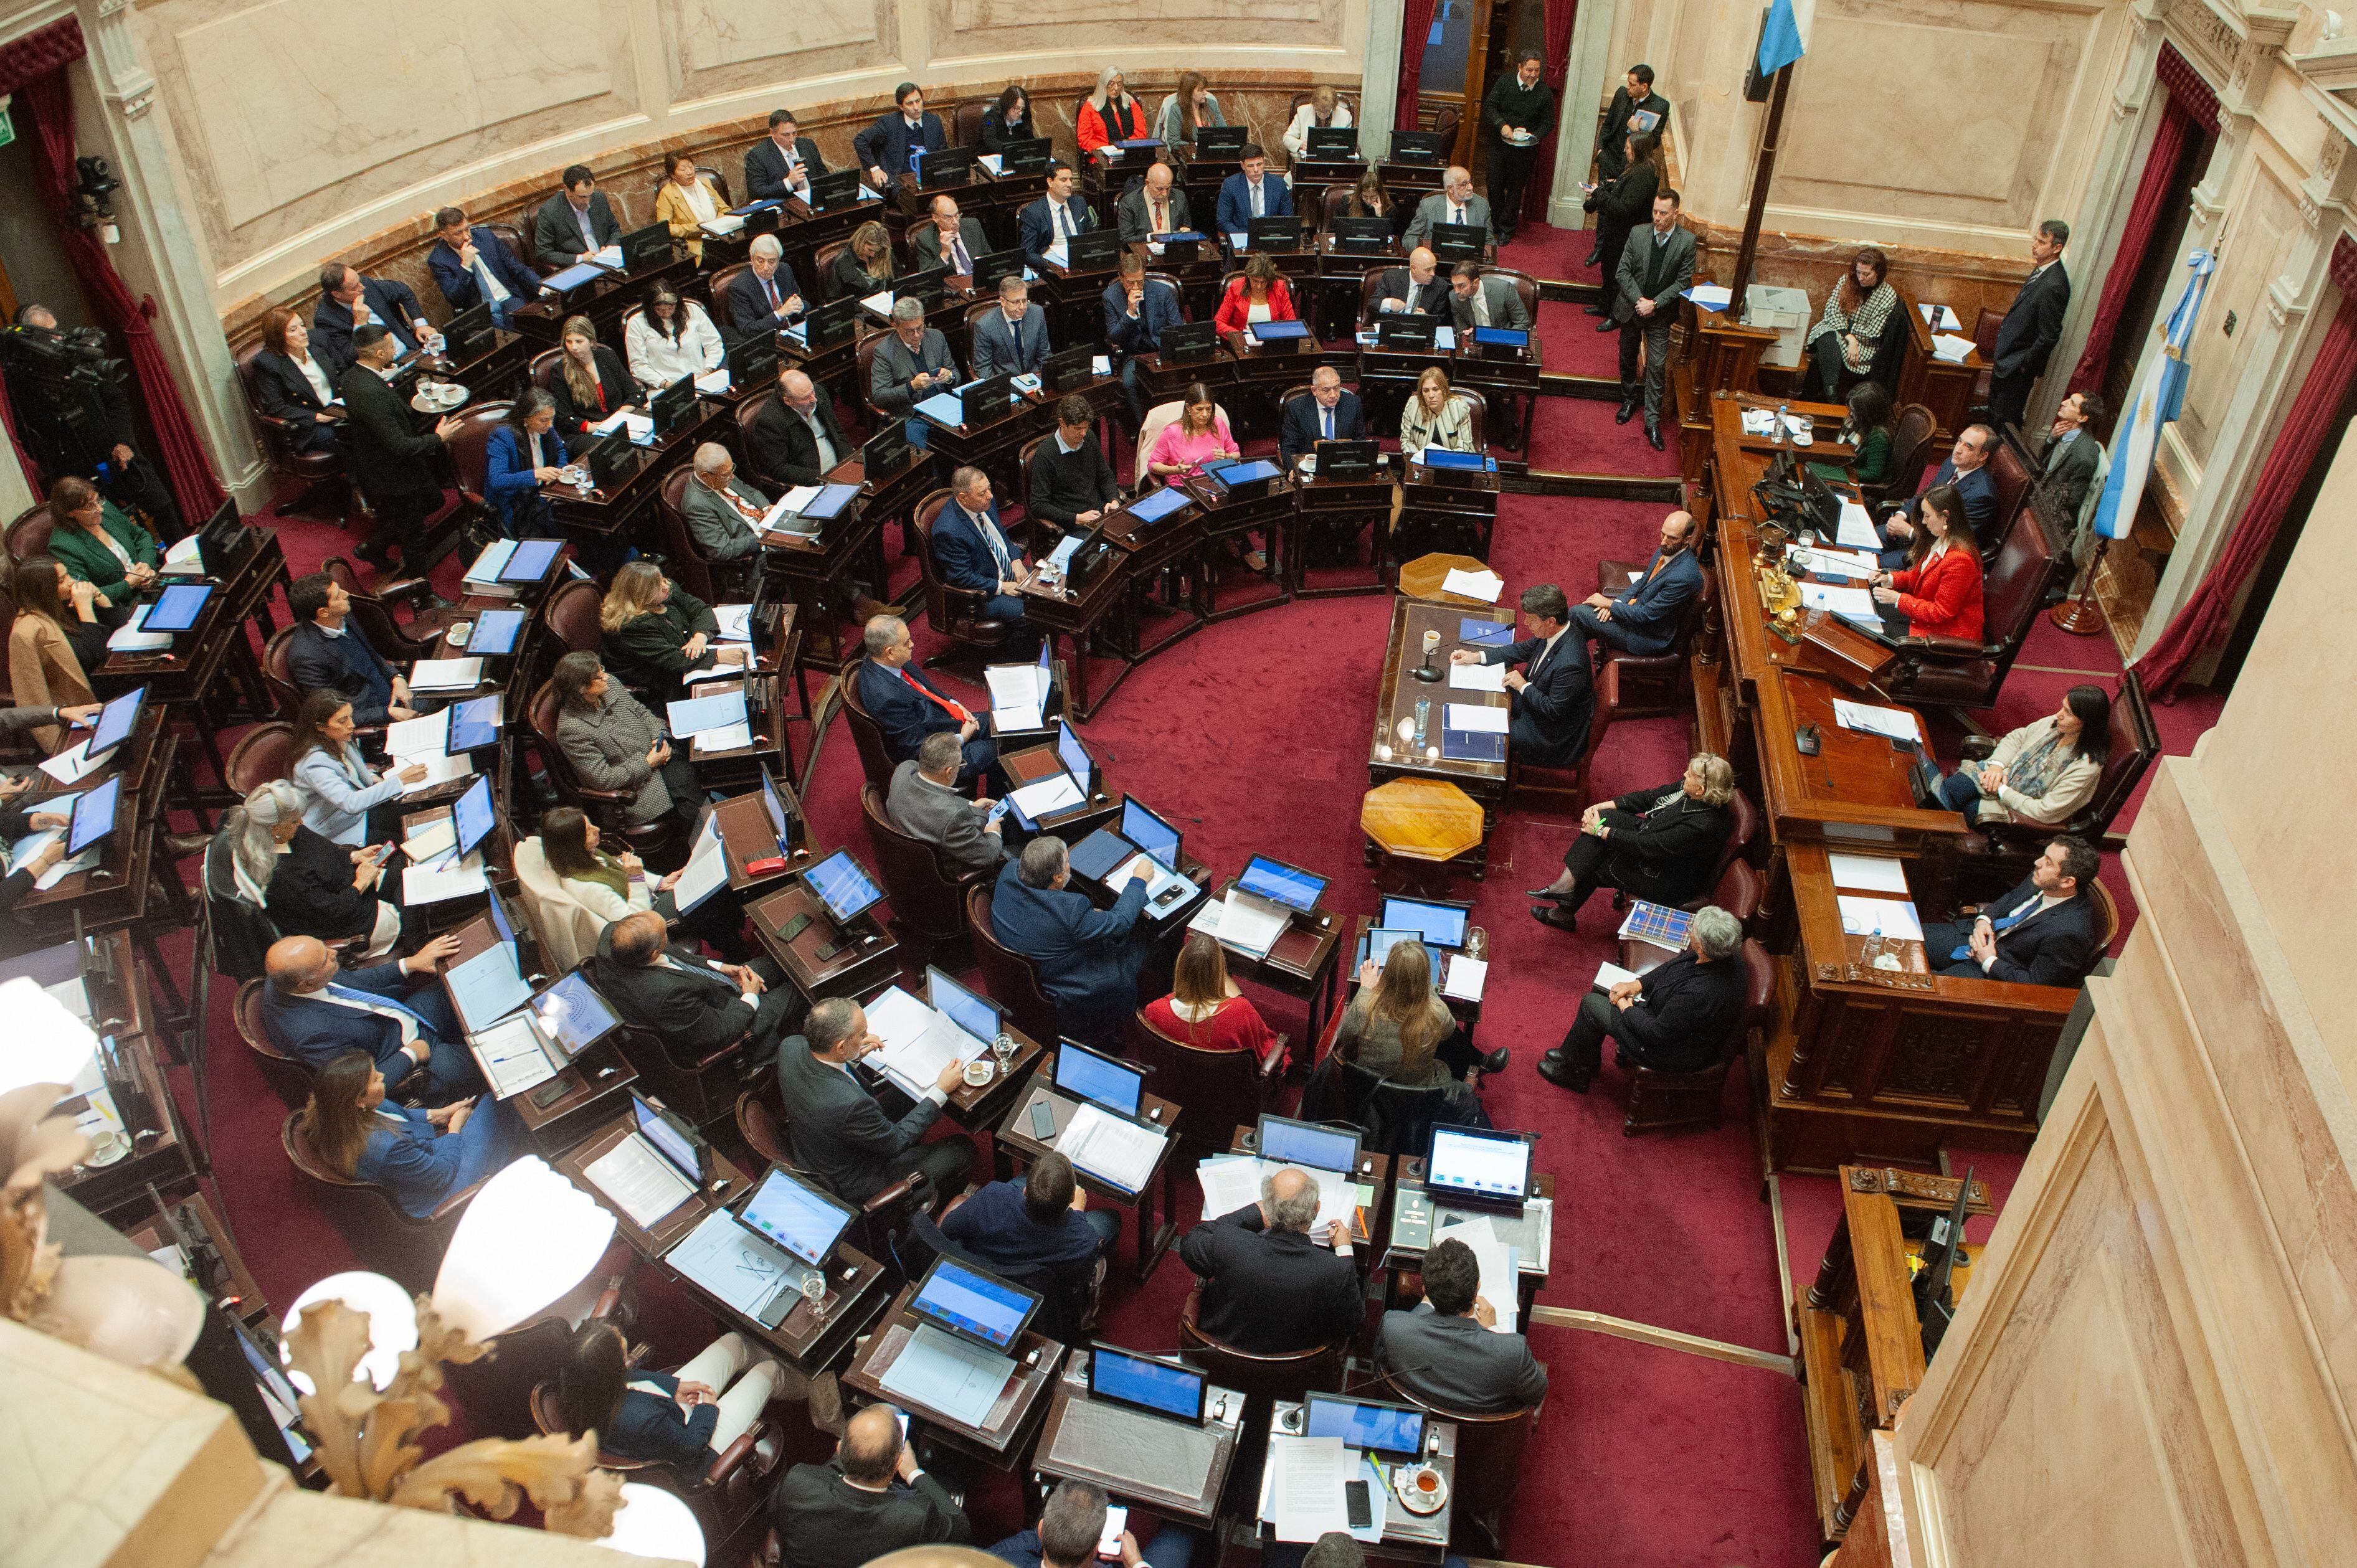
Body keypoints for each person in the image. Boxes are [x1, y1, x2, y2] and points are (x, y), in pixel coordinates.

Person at [773, 996, 975, 1202]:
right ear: (840, 1047)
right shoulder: (849, 1104)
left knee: (906, 1094)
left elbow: (836, 1080)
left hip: (823, 1144)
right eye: (862, 1035)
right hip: (858, 1178)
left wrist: (854, 1057)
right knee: (962, 1148)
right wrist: (940, 1091)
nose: (868, 1037)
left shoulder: (790, 1047)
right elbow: (896, 1142)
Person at [1539, 904, 1745, 1091]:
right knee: (1604, 988)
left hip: (1667, 1051)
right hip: (1666, 1016)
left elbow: (1656, 1034)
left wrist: (1624, 1006)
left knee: (1591, 1004)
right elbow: (1673, 966)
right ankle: (1581, 1061)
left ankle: (1574, 1074)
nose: (1689, 932)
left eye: (1693, 932)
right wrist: (1636, 984)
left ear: (1701, 947)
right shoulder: (1723, 952)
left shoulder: (1699, 994)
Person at [261, 927, 478, 1100]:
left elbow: (356, 983)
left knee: (465, 975)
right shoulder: (310, 1035)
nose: (334, 953)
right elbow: (360, 1085)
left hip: (405, 1015)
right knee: (492, 1059)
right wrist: (411, 1055)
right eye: (327, 958)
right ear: (307, 985)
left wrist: (411, 963)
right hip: (409, 1055)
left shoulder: (292, 973)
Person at [1529, 753, 1737, 932]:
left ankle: (1563, 908)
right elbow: (1651, 796)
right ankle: (1564, 890)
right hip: (1654, 837)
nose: (1684, 776)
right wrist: (1601, 808)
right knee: (1604, 819)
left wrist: (1600, 831)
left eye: (1689, 775)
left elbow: (1650, 846)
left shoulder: (1703, 825)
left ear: (1701, 789)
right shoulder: (1693, 791)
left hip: (1665, 877)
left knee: (1598, 858)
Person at [300, 1051, 522, 1217]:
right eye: (375, 1079)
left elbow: (400, 1115)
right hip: (438, 1190)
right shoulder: (384, 1148)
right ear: (359, 1100)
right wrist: (454, 1129)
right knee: (499, 1100)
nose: (382, 1076)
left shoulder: (340, 1109)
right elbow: (442, 1175)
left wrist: (440, 1114)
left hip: (423, 1163)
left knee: (490, 1105)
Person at [1177, 1166, 1362, 1354]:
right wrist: (1345, 1252)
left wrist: (1253, 1214)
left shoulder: (1229, 1242)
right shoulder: (1336, 1270)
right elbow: (1352, 1325)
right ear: (1316, 1210)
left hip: (1219, 1359)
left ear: (1268, 1208)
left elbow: (1191, 1242)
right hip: (1290, 1374)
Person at [558, 1320, 795, 1466]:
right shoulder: (644, 1420)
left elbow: (628, 1378)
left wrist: (673, 1388)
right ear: (612, 1370)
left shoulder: (578, 1379)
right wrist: (708, 1408)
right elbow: (691, 1446)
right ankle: (803, 1384)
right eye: (623, 1354)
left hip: (661, 1420)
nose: (624, 1340)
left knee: (734, 1342)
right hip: (697, 1449)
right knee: (770, 1371)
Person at [992, 836, 1152, 1048]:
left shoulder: (1008, 872)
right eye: (1068, 861)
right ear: (1057, 877)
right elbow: (1120, 922)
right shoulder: (1071, 911)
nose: (1071, 864)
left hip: (1024, 957)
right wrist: (1138, 880)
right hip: (1069, 984)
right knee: (1146, 936)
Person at [769, 1403, 970, 1568]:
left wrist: (857, 1450)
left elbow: (778, 1517)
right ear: (898, 1463)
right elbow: (961, 1528)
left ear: (839, 1449)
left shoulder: (799, 1482)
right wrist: (913, 1473)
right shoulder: (915, 1517)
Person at [592, 909, 809, 1060]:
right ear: (654, 953)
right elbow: (721, 1031)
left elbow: (676, 958)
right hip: (728, 1017)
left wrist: (722, 968)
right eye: (664, 934)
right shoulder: (669, 997)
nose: (668, 934)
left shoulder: (613, 937)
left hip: (711, 987)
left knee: (781, 960)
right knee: (802, 986)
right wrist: (751, 996)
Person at [1374, 1235, 1548, 1412]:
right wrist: (1491, 1332)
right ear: (1477, 1288)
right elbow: (1537, 1393)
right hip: (1481, 1436)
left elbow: (1382, 1368)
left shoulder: (1393, 1327)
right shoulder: (1512, 1352)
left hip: (1413, 1423)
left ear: (1425, 1290)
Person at [337, 326, 462, 571]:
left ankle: (371, 548)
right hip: (393, 474)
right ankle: (423, 594)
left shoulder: (352, 376)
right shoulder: (371, 393)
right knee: (414, 537)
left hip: (389, 463)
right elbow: (399, 445)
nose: (396, 349)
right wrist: (438, 438)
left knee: (431, 502)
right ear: (380, 354)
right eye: (392, 346)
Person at [550, 651, 706, 836]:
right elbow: (603, 778)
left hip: (660, 755)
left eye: (602, 670)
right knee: (694, 806)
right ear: (582, 689)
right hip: (638, 788)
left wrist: (659, 736)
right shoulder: (572, 729)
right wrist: (648, 763)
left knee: (703, 772)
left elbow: (641, 712)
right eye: (598, 676)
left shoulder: (611, 686)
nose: (606, 676)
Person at [242, 785, 407, 958]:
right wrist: (361, 882)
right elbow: (331, 911)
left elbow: (323, 852)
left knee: (406, 866)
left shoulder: (288, 833)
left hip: (354, 887)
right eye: (293, 821)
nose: (301, 823)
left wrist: (354, 856)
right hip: (351, 920)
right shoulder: (280, 875)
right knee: (412, 904)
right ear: (274, 829)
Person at [1449, 583, 1593, 766]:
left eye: (1531, 619)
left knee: (1486, 730)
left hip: (1549, 734)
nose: (1526, 623)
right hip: (1534, 703)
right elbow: (1523, 650)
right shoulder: (1554, 632)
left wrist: (1523, 686)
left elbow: (1553, 711)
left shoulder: (1572, 664)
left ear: (1550, 621)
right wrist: (1477, 657)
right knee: (1482, 699)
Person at [1923, 837, 2101, 985]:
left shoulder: (2071, 933)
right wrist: (1984, 920)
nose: (2037, 863)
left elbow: (2035, 984)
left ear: (2067, 882)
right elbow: (2010, 899)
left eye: (2048, 863)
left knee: (1926, 991)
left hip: (1996, 972)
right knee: (1906, 938)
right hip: (1976, 937)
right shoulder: (2044, 879)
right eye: (2043, 856)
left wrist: (1989, 961)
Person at [1935, 686, 2110, 829]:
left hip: (2017, 810)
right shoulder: (2057, 724)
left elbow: (2046, 811)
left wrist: (2002, 790)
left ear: (2087, 723)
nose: (2059, 714)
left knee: (1966, 811)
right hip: (1999, 776)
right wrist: (1997, 766)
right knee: (1951, 789)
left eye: (2069, 712)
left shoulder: (2086, 767)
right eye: (2062, 707)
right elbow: (2017, 738)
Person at [856, 614, 996, 783]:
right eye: (906, 642)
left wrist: (955, 704)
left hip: (943, 722)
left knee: (1007, 723)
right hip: (941, 759)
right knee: (1005, 746)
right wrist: (962, 738)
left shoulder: (884, 660)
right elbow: (918, 750)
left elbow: (927, 689)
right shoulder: (887, 699)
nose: (912, 644)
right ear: (890, 652)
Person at [1337, 937, 1498, 1084]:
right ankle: (1476, 1067)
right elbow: (1448, 1032)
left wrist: (1365, 988)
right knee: (1445, 1055)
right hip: (1417, 1094)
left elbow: (1345, 1037)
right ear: (1426, 976)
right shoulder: (1437, 1013)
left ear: (1387, 972)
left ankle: (1480, 1061)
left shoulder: (1364, 1004)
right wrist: (1423, 987)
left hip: (1369, 1087)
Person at [286, 689, 425, 848]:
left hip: (361, 814)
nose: (351, 725)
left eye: (350, 717)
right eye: (342, 721)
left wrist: (373, 777)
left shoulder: (336, 738)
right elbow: (350, 803)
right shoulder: (314, 764)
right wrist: (400, 780)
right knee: (412, 839)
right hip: (339, 828)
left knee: (417, 816)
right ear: (321, 727)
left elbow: (352, 773)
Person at [599, 560, 747, 707]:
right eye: (658, 586)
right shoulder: (631, 627)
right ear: (642, 596)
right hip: (658, 684)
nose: (666, 586)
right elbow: (673, 659)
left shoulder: (667, 592)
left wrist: (700, 637)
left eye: (663, 579)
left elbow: (700, 609)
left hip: (685, 661)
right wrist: (719, 657)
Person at [944, 1148, 1121, 1270]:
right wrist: (1078, 1214)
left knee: (1020, 1178)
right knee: (1111, 1219)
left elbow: (948, 1228)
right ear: (1072, 1199)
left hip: (987, 1269)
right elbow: (1079, 1279)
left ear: (1025, 1191)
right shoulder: (1083, 1239)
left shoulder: (993, 1195)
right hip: (1037, 1289)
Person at [1615, 189, 1692, 450]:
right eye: (1654, 212)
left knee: (1657, 367)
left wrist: (1655, 304)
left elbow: (1683, 281)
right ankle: (1628, 400)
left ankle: (1652, 423)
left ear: (1675, 213)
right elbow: (1622, 271)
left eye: (1663, 213)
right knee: (1627, 356)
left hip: (1660, 315)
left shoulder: (1686, 242)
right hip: (1632, 308)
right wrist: (1640, 301)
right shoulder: (1638, 233)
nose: (1657, 218)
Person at [1571, 508, 1702, 653]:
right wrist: (1617, 604)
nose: (1663, 542)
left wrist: (1610, 604)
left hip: (1646, 636)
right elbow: (1643, 580)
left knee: (1577, 613)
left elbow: (1646, 615)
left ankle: (1570, 660)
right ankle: (1574, 654)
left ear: (1687, 540)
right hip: (1635, 614)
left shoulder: (1684, 577)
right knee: (1588, 616)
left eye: (1671, 537)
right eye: (1663, 534)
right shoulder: (1668, 550)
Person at [538, 805, 688, 928]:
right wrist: (636, 877)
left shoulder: (586, 857)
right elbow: (635, 921)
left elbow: (620, 869)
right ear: (574, 844)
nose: (597, 829)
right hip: (648, 920)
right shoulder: (588, 888)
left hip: (650, 900)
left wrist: (660, 883)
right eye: (588, 831)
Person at [8, 557, 106, 745]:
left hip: (101, 693)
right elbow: (32, 699)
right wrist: (57, 749)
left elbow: (118, 622)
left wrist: (101, 597)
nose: (71, 582)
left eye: (68, 574)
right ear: (43, 590)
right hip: (78, 713)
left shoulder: (61, 605)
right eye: (62, 580)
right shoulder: (25, 633)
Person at [1143, 930, 1281, 1062]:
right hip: (1225, 1085)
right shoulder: (1240, 1011)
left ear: (1181, 969)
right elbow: (1264, 1048)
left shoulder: (1155, 1010)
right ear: (1218, 975)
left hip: (1176, 1081)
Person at [992, 1480, 1195, 1568]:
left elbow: (1032, 1539)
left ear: (1041, 1529)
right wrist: (1136, 1563)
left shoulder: (1000, 1558)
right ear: (1096, 1547)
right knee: (1181, 1531)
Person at [1989, 219, 2072, 434]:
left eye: (2041, 242)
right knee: (1994, 416)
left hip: (2016, 368)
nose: (2035, 244)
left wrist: (2024, 366)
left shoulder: (2055, 285)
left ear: (2057, 248)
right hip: (2006, 360)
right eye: (2036, 239)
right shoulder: (2041, 271)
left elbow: (2049, 336)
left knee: (2004, 423)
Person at [1871, 486, 1984, 641]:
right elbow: (1918, 576)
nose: (1924, 522)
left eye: (1927, 516)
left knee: (1864, 627)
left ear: (1945, 517)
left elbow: (1942, 613)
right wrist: (1890, 579)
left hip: (1944, 636)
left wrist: (1898, 599)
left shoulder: (1960, 560)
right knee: (1869, 603)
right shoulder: (1938, 539)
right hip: (1923, 615)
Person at [889, 730, 1008, 874]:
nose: (960, 768)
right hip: (946, 868)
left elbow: (937, 798)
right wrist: (993, 833)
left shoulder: (904, 768)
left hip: (911, 837)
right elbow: (987, 856)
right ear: (949, 772)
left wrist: (971, 806)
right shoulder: (954, 818)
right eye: (960, 765)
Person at [933, 465, 1035, 630]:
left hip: (1007, 571)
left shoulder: (985, 502)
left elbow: (1002, 536)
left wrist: (1015, 558)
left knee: (1050, 588)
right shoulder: (948, 531)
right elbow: (961, 577)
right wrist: (1001, 587)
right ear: (963, 497)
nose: (990, 495)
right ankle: (1021, 655)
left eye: (988, 488)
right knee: (1030, 614)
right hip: (982, 595)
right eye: (982, 493)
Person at [1880, 423, 1999, 565]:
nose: (1958, 450)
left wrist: (1909, 532)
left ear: (1983, 456)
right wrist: (1901, 516)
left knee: (1877, 565)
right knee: (1863, 541)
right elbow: (1925, 496)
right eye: (1959, 441)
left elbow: (1952, 540)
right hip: (1912, 530)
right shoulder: (1951, 463)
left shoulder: (1982, 496)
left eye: (1968, 447)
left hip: (1932, 553)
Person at [45, 475, 159, 605]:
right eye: (90, 507)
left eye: (97, 500)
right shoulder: (63, 546)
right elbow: (84, 595)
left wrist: (146, 565)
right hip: (125, 605)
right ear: (70, 513)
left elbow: (140, 536)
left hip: (152, 582)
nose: (100, 509)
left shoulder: (106, 511)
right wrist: (128, 584)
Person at [1582, 131, 1661, 318]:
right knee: (1608, 269)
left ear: (1637, 151)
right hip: (1616, 231)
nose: (1625, 151)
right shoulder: (1636, 167)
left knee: (1618, 274)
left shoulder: (1644, 173)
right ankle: (1604, 306)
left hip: (1625, 234)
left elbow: (1624, 208)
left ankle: (1615, 316)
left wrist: (1599, 193)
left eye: (1628, 148)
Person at [250, 307, 348, 458]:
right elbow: (275, 407)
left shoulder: (319, 340)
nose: (303, 332)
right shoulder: (267, 363)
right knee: (349, 438)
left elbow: (342, 371)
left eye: (302, 325)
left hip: (339, 409)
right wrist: (316, 417)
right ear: (278, 337)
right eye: (293, 330)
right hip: (310, 425)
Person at [1479, 51, 1555, 244]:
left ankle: (1507, 228)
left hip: (1525, 150)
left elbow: (1548, 123)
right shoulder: (1505, 83)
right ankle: (1495, 224)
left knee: (1515, 190)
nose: (1533, 74)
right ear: (1520, 67)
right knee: (1495, 185)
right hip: (1499, 145)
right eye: (1529, 70)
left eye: (1537, 71)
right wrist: (1502, 125)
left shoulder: (1544, 92)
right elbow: (1490, 106)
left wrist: (1535, 136)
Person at [1805, 247, 1899, 400]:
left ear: (1879, 273)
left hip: (1864, 344)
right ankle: (1831, 395)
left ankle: (1821, 397)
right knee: (1827, 336)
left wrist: (1849, 329)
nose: (1861, 278)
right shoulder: (1846, 281)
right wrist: (1850, 338)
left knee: (1823, 350)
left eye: (1866, 274)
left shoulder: (1888, 295)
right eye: (1858, 272)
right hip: (1840, 333)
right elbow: (1832, 311)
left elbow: (1873, 331)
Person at [426, 207, 544, 329]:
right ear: (444, 236)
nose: (466, 237)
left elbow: (516, 267)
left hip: (509, 298)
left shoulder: (486, 237)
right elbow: (455, 299)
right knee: (499, 339)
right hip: (481, 310)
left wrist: (541, 286)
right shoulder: (438, 260)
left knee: (522, 323)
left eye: (467, 229)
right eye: (458, 233)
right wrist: (465, 266)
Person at [1102, 252, 1182, 420]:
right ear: (1121, 278)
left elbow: (1177, 327)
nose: (1136, 286)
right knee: (1129, 383)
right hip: (1134, 354)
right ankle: (1145, 426)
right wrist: (1130, 313)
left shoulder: (1163, 291)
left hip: (1162, 350)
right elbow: (1114, 336)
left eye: (1140, 281)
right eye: (1131, 282)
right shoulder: (1110, 297)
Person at [1026, 394, 1119, 534]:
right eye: (1077, 429)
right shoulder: (1045, 454)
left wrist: (1114, 499)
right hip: (1074, 524)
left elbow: (1105, 475)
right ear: (1062, 423)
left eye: (1086, 427)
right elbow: (1038, 505)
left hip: (1101, 513)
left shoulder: (1090, 438)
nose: (1083, 433)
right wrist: (1077, 518)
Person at [481, 389, 567, 540]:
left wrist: (556, 475)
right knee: (564, 524)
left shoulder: (547, 426)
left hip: (544, 493)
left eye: (552, 418)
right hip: (518, 504)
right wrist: (535, 475)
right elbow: (497, 480)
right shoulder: (502, 436)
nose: (550, 425)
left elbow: (560, 451)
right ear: (526, 418)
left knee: (577, 515)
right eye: (544, 420)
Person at [311, 263, 430, 370]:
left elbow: (403, 291)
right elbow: (348, 357)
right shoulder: (326, 319)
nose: (362, 287)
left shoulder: (367, 284)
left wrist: (421, 325)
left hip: (411, 350)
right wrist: (360, 325)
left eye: (359, 281)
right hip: (385, 370)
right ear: (336, 294)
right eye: (354, 287)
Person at [751, 367, 852, 490]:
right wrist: (822, 479)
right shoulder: (770, 422)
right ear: (788, 401)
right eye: (805, 398)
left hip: (839, 468)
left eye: (812, 392)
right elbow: (778, 468)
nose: (814, 399)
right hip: (811, 481)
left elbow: (837, 430)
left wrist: (850, 462)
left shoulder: (819, 392)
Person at [543, 315, 636, 437]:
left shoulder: (608, 357)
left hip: (619, 422)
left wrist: (615, 421)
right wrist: (600, 428)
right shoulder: (559, 371)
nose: (574, 347)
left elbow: (634, 394)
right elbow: (564, 418)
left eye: (579, 341)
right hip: (586, 432)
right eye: (569, 342)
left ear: (591, 341)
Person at [682, 442, 775, 560]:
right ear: (705, 476)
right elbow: (722, 550)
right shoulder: (696, 505)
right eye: (726, 474)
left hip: (770, 526)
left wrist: (766, 508)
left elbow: (751, 492)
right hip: (758, 553)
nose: (731, 477)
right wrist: (761, 536)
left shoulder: (721, 474)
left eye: (732, 470)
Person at [868, 297, 960, 417]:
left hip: (944, 404)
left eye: (920, 328)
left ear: (923, 319)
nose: (916, 335)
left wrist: (949, 377)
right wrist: (912, 387)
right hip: (913, 414)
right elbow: (879, 396)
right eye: (909, 331)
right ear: (896, 326)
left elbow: (956, 375)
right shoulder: (884, 352)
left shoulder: (936, 337)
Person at [624, 283, 723, 391]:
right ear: (651, 308)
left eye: (670, 308)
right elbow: (638, 365)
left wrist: (708, 370)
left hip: (702, 378)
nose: (667, 314)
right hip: (664, 387)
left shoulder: (692, 310)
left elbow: (714, 344)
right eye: (660, 310)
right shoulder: (636, 323)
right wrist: (664, 384)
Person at [2041, 391, 2108, 550]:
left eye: (2071, 403)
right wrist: (2051, 439)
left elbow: (2072, 501)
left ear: (2082, 418)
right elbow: (2045, 465)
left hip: (2050, 521)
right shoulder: (2063, 431)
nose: (2063, 403)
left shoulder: (2085, 456)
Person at [855, 82, 947, 190]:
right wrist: (875, 168)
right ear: (901, 107)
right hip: (899, 182)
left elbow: (943, 153)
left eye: (918, 101)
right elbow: (860, 140)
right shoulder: (889, 123)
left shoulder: (933, 121)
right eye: (910, 104)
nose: (916, 107)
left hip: (930, 179)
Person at [1145, 382, 1238, 487]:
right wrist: (1175, 470)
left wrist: (1227, 456)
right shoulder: (1172, 432)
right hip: (1185, 487)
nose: (1205, 414)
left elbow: (1236, 455)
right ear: (1189, 408)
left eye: (1209, 409)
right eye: (1199, 409)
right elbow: (1152, 465)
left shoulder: (1218, 424)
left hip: (1216, 483)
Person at [1593, 64, 1669, 189]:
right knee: (1602, 199)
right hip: (1608, 157)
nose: (1628, 87)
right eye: (1628, 82)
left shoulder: (1660, 106)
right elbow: (1608, 124)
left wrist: (1636, 131)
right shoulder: (1621, 94)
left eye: (1632, 85)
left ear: (1644, 87)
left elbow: (1654, 142)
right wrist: (1600, 150)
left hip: (1631, 167)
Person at [1810, 380, 1895, 491]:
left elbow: (1873, 474)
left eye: (1855, 412)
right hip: (1846, 469)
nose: (1850, 414)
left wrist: (1844, 471)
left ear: (1868, 414)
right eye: (1851, 409)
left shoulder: (1878, 436)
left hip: (1858, 484)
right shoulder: (1857, 422)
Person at [724, 234, 807, 346]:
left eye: (772, 261)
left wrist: (800, 306)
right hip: (768, 343)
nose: (766, 267)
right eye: (760, 261)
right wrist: (780, 314)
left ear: (779, 260)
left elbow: (804, 303)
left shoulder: (784, 270)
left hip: (795, 333)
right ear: (752, 259)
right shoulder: (739, 287)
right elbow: (748, 330)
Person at [533, 164, 622, 267]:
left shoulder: (599, 198)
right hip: (580, 267)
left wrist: (611, 246)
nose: (587, 201)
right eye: (582, 197)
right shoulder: (550, 211)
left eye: (590, 195)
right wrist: (580, 258)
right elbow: (543, 253)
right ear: (566, 189)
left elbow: (615, 229)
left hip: (609, 261)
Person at [1279, 366, 1367, 465]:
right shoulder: (1297, 408)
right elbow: (1289, 446)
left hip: (1344, 465)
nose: (1333, 395)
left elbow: (1360, 442)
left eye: (1336, 388)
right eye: (1326, 390)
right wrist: (1293, 469)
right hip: (1309, 466)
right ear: (1314, 391)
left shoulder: (1353, 404)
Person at [1019, 163, 1096, 271]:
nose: (1069, 184)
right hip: (1054, 266)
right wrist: (1051, 266)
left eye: (1071, 180)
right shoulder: (1033, 213)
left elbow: (1092, 234)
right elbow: (1027, 253)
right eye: (1064, 180)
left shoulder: (1079, 203)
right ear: (1050, 182)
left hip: (1082, 259)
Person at [972, 275, 1050, 380]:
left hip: (1035, 377)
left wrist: (1044, 379)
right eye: (1016, 302)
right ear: (1003, 301)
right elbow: (984, 369)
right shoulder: (985, 326)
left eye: (1024, 300)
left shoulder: (1037, 313)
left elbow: (1044, 355)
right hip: (1006, 383)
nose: (1022, 307)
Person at [652, 152, 724, 264]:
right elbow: (665, 228)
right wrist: (695, 228)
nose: (690, 172)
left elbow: (725, 209)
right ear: (673, 175)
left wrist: (716, 223)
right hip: (698, 242)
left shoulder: (705, 183)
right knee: (723, 257)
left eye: (691, 167)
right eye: (683, 170)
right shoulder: (667, 194)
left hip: (721, 234)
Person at [744, 108, 825, 205]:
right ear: (772, 133)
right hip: (787, 209)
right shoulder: (758, 156)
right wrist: (788, 183)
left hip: (818, 203)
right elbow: (757, 193)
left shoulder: (807, 145)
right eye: (786, 135)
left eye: (794, 133)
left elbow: (824, 175)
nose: (792, 139)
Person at [1404, 166, 1493, 252]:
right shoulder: (1428, 206)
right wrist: (1424, 253)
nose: (1470, 187)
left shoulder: (1481, 205)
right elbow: (1409, 238)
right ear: (1450, 188)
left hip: (1470, 263)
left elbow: (1490, 242)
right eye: (1464, 184)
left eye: (1470, 182)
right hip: (1437, 261)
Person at [1216, 144, 1292, 240]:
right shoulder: (1231, 185)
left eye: (1259, 164)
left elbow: (1288, 219)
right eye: (1251, 166)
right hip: (1242, 238)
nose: (1256, 170)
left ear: (1264, 162)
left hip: (1271, 239)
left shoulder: (1278, 184)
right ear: (1243, 166)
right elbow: (1223, 222)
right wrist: (1248, 236)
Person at [1213, 253, 1296, 335]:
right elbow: (1219, 323)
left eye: (1264, 282)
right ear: (1248, 275)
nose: (1259, 286)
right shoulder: (1236, 288)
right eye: (1255, 281)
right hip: (1243, 343)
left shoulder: (1279, 288)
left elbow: (1291, 324)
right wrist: (1241, 335)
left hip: (1272, 342)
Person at [1399, 366, 1476, 453]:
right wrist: (1420, 458)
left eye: (1436, 389)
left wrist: (1443, 461)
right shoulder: (1413, 404)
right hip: (1421, 462)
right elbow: (1406, 442)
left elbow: (1464, 446)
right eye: (1426, 391)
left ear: (1444, 390)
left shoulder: (1459, 407)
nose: (1431, 395)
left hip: (1454, 462)